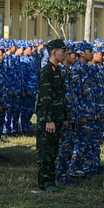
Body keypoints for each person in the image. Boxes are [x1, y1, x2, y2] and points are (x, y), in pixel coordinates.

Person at [34, 39, 70, 192]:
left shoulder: (57, 70)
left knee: (53, 150)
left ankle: (51, 180)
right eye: (62, 51)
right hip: (48, 119)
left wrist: (64, 117)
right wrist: (48, 120)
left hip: (57, 117)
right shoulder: (47, 71)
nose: (64, 54)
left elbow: (60, 97)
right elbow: (45, 98)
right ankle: (45, 182)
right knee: (46, 151)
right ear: (54, 52)